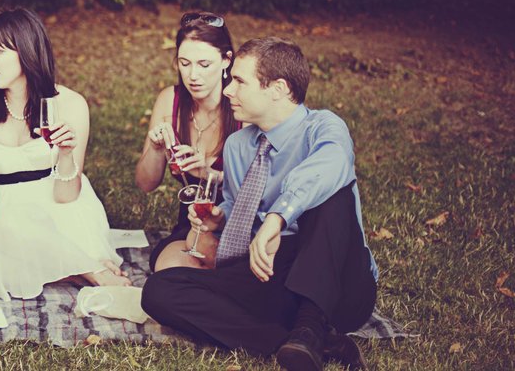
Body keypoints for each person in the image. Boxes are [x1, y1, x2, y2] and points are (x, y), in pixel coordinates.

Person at [142, 38, 378, 371]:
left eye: (238, 81)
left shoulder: (324, 128)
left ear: (278, 88)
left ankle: (312, 323)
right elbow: (240, 211)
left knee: (331, 194)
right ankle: (307, 343)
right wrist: (219, 219)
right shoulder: (239, 146)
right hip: (272, 275)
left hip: (339, 286)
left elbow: (331, 164)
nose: (226, 91)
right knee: (158, 291)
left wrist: (277, 218)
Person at [0, 8, 129, 300]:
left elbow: (66, 195)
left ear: (27, 51)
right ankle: (85, 270)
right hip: (7, 207)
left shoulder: (70, 104)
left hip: (60, 206)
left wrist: (66, 153)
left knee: (10, 256)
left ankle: (74, 265)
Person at [135, 12, 243, 271]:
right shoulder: (169, 101)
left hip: (236, 223)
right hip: (191, 225)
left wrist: (211, 174)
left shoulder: (241, 107)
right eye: (185, 63)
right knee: (167, 271)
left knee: (221, 269)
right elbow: (146, 184)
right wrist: (156, 149)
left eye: (204, 65)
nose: (193, 75)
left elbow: (258, 189)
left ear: (226, 60)